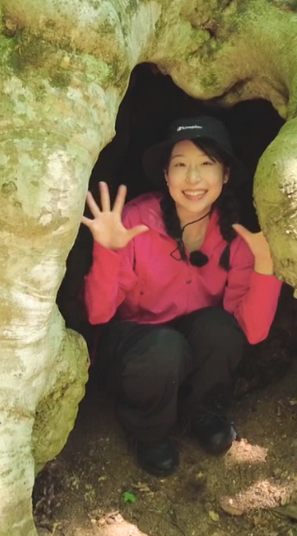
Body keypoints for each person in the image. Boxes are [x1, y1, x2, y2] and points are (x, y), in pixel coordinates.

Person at [82, 116, 282, 477]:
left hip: (187, 349)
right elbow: (98, 315)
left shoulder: (236, 236)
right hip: (133, 349)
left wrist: (266, 266)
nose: (193, 179)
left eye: (207, 164)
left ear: (225, 175)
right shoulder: (135, 221)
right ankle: (149, 432)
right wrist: (107, 251)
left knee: (220, 329)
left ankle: (201, 412)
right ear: (165, 176)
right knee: (164, 348)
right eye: (181, 166)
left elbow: (250, 333)